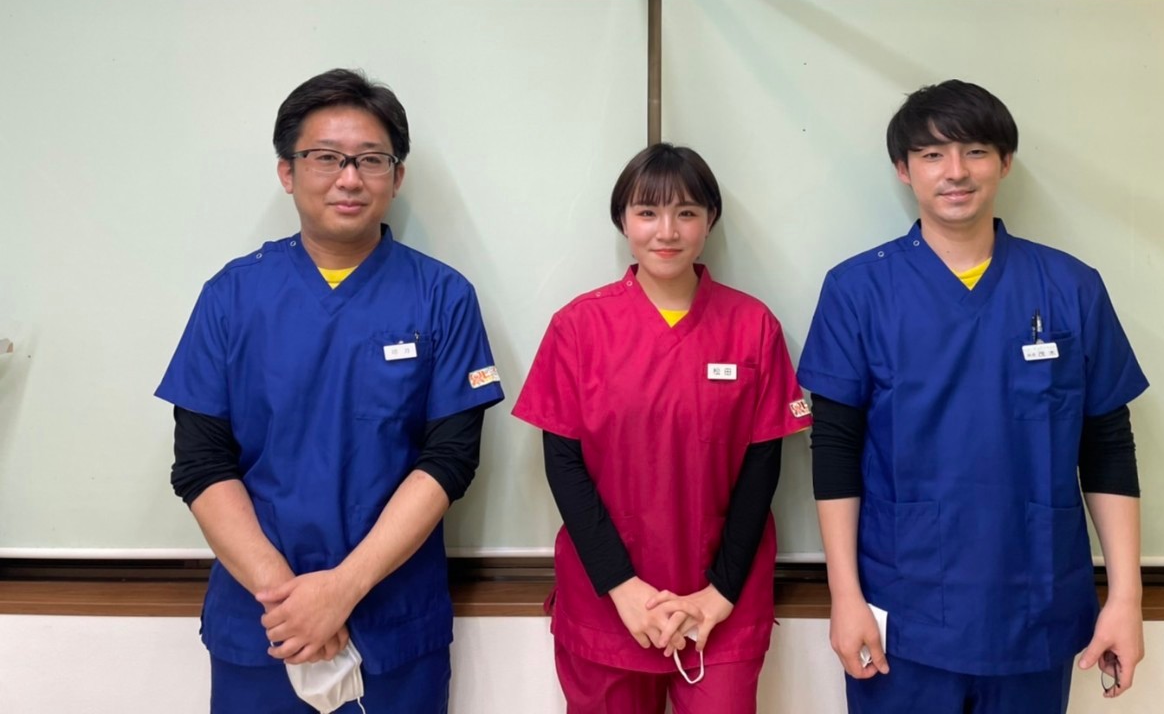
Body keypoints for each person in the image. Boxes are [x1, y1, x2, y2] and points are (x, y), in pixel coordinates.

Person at [156, 68, 504, 713]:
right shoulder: (231, 296)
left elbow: (450, 459)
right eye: (326, 158)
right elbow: (201, 463)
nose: (349, 178)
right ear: (287, 172)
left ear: (397, 176)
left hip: (393, 620)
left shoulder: (443, 296)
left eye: (371, 159)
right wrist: (289, 600)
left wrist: (341, 590)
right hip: (264, 620)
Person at [800, 80, 1147, 714]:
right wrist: (843, 596)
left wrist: (1126, 598)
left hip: (1036, 607)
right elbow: (835, 451)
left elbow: (1108, 447)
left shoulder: (1070, 287)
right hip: (901, 611)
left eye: (975, 151)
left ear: (1005, 162)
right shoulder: (858, 291)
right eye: (932, 155)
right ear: (903, 170)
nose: (955, 171)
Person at [513, 142, 812, 714]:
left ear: (710, 220)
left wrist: (719, 593)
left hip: (721, 606)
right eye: (647, 212)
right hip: (608, 602)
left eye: (687, 212)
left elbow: (763, 470)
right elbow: (564, 466)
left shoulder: (752, 326)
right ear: (623, 220)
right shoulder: (578, 327)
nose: (667, 231)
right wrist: (622, 587)